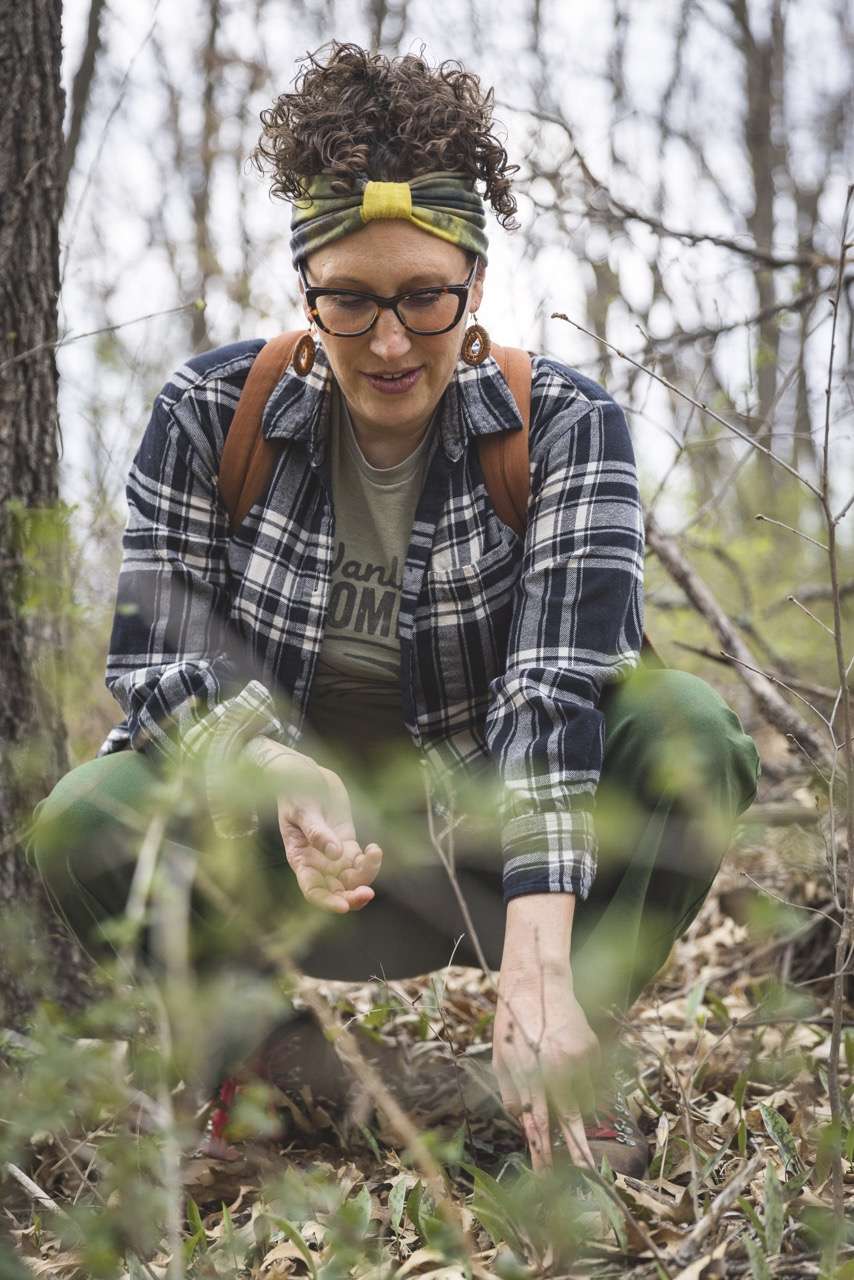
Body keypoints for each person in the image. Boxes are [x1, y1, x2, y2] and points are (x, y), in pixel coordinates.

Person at [28, 42, 761, 1179]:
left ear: (473, 279)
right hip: (293, 855)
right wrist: (270, 766)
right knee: (85, 814)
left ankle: (561, 1062)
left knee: (690, 736)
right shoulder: (208, 411)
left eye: (423, 297)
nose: (385, 340)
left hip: (487, 848)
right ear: (303, 283)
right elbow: (152, 660)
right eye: (349, 298)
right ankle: (261, 1067)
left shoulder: (563, 425)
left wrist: (539, 949)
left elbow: (554, 690)